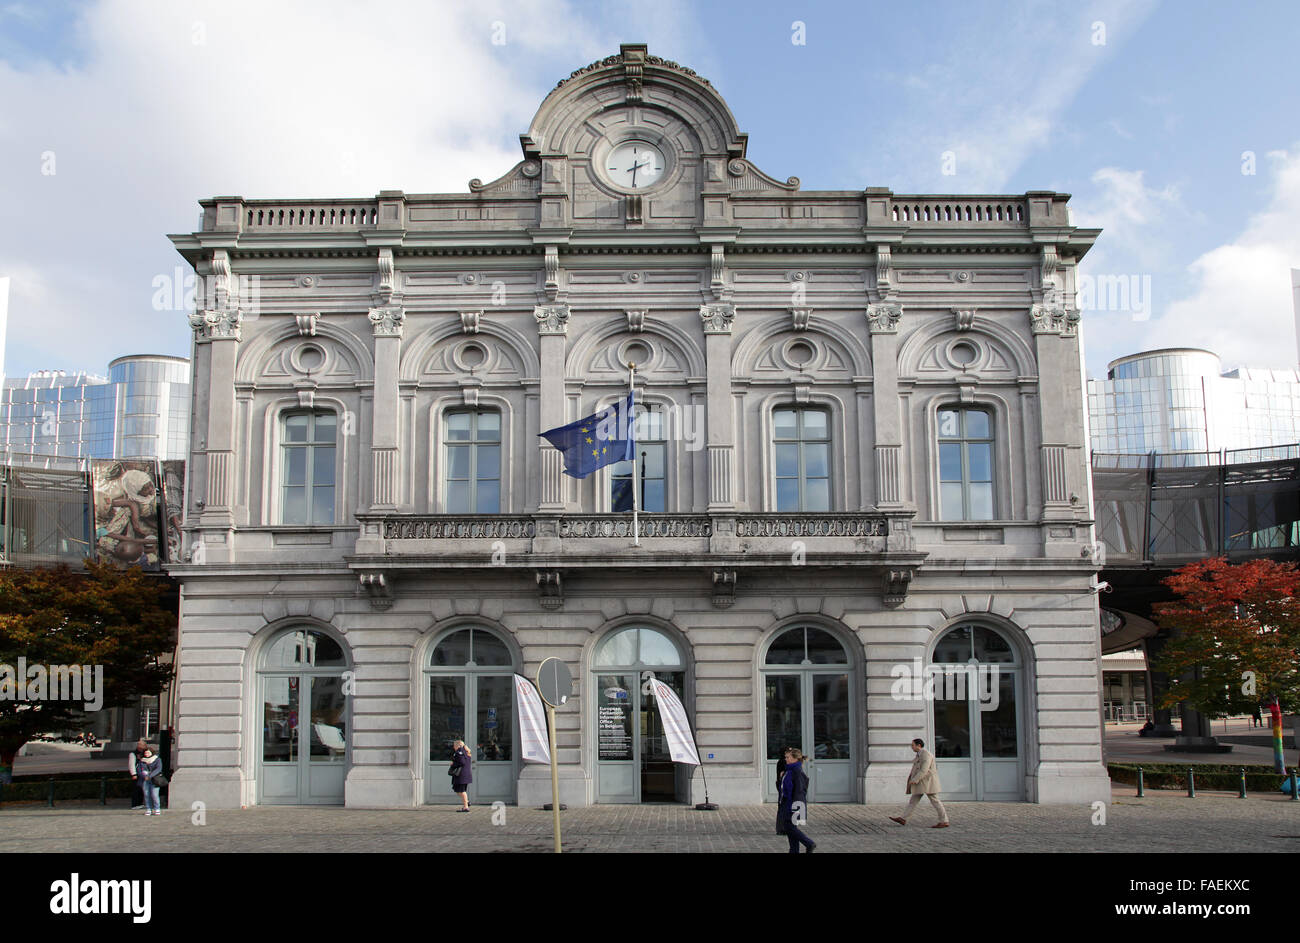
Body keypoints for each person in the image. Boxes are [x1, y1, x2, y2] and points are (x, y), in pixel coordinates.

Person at [890, 738, 949, 828]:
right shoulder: (919, 754)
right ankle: (903, 818)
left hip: (928, 783)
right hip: (922, 783)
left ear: (919, 745)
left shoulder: (926, 754)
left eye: (913, 745)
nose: (911, 747)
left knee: (935, 801)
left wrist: (915, 779)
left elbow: (924, 770)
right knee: (913, 801)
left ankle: (944, 821)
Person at [777, 747, 816, 853]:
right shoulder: (789, 770)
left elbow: (800, 790)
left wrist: (795, 807)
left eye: (788, 757)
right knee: (790, 828)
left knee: (789, 827)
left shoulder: (797, 771)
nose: (786, 759)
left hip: (794, 804)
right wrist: (781, 778)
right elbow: (783, 788)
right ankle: (794, 850)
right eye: (785, 757)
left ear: (795, 759)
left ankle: (809, 843)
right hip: (786, 803)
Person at [136, 747, 163, 816]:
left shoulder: (157, 759)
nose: (147, 754)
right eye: (145, 753)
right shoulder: (142, 761)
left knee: (154, 795)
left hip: (154, 780)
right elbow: (139, 770)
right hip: (145, 780)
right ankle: (149, 809)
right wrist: (143, 775)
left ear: (151, 752)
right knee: (147, 795)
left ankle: (157, 808)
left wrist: (150, 776)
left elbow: (158, 769)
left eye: (148, 752)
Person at [450, 739, 472, 811]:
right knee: (458, 790)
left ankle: (466, 807)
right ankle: (467, 802)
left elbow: (462, 762)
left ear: (458, 745)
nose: (453, 747)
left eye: (454, 745)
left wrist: (453, 764)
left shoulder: (460, 751)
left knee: (461, 790)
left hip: (461, 775)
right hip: (465, 775)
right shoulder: (467, 752)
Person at [127, 739, 148, 810]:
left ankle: (140, 803)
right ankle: (135, 804)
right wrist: (133, 774)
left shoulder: (144, 753)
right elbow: (131, 765)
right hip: (137, 774)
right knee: (136, 789)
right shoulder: (133, 754)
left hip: (143, 773)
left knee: (142, 789)